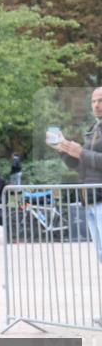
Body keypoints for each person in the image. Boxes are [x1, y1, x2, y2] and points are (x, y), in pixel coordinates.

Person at [52, 87, 102, 262]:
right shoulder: (92, 129)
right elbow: (80, 166)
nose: (96, 105)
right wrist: (63, 150)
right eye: (93, 101)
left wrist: (80, 152)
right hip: (89, 199)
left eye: (100, 101)